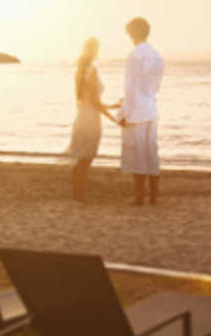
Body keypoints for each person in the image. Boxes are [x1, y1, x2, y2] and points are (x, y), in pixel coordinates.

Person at [117, 17, 165, 206]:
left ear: (130, 33)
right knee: (151, 152)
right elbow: (154, 87)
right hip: (151, 109)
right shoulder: (157, 56)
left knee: (137, 154)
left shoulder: (135, 55)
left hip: (136, 111)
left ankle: (139, 197)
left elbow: (130, 89)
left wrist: (122, 114)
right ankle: (153, 197)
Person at [63, 37, 117, 203]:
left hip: (81, 117)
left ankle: (77, 196)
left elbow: (83, 100)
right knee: (86, 160)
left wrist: (109, 106)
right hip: (91, 118)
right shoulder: (92, 69)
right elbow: (93, 99)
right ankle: (80, 198)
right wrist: (112, 118)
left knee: (80, 159)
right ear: (95, 50)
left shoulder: (79, 70)